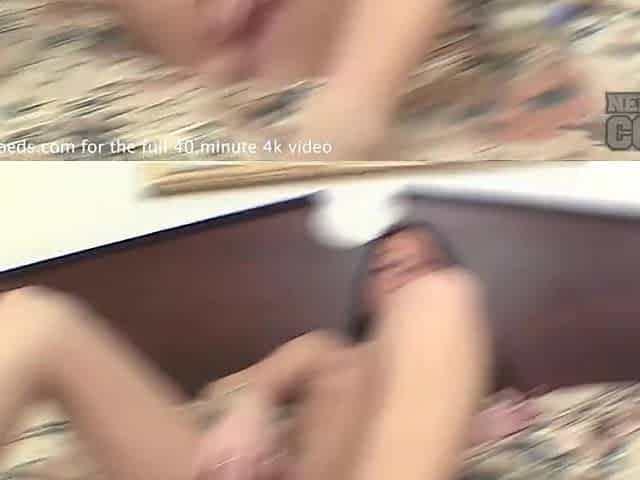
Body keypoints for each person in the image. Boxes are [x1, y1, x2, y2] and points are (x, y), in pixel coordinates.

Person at [0, 223, 536, 480]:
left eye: (421, 264)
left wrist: (473, 426)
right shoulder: (327, 353)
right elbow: (234, 388)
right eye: (384, 265)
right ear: (366, 293)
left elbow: (426, 420)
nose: (401, 274)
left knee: (445, 298)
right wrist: (251, 412)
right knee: (34, 315)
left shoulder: (447, 336)